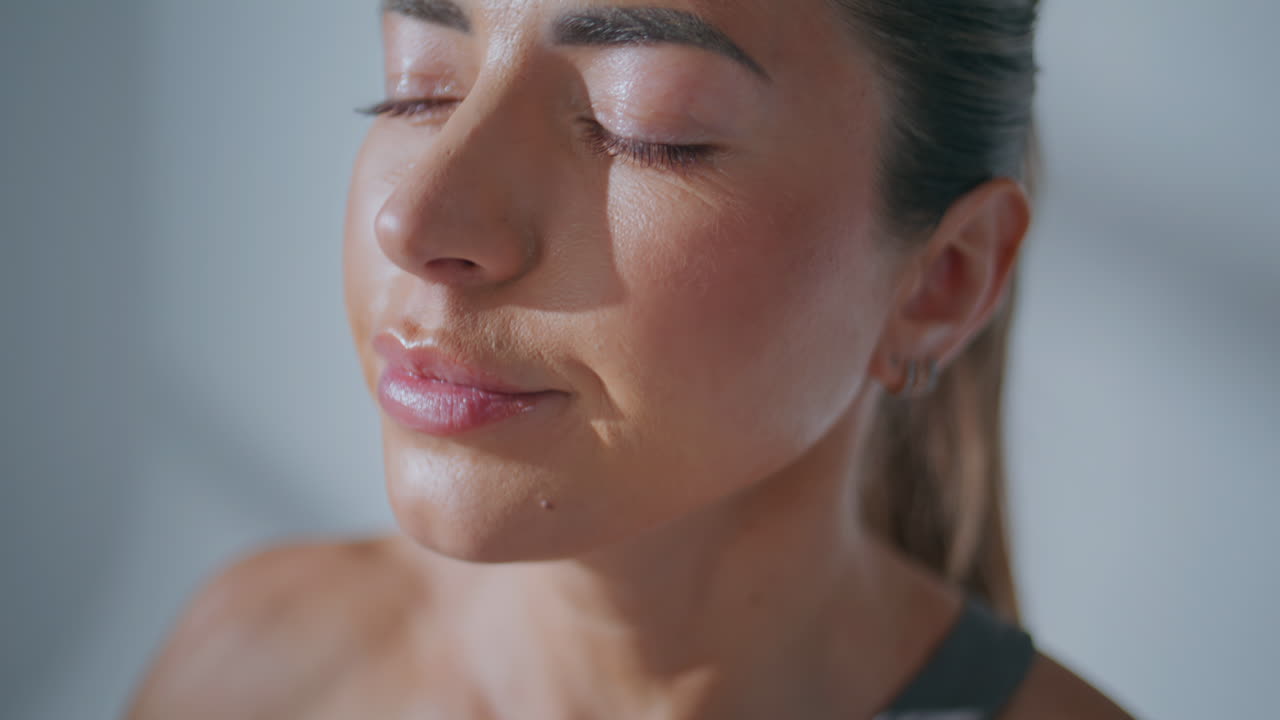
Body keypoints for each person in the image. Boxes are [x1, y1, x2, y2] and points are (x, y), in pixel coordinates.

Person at [129, 0, 1135, 717]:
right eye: (416, 88)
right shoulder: (249, 667)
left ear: (938, 282)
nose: (416, 216)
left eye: (641, 126)